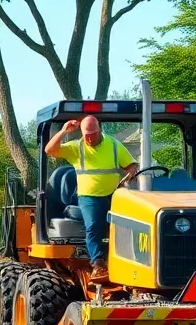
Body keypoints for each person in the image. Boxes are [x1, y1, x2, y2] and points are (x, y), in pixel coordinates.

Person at [45, 115, 139, 281]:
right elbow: (49, 150)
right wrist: (63, 131)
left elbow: (131, 165)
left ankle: (123, 262)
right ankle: (98, 265)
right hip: (88, 197)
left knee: (123, 226)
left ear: (99, 130)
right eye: (86, 134)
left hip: (113, 195)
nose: (89, 138)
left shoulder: (113, 145)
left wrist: (129, 176)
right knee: (94, 226)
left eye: (92, 134)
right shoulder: (76, 147)